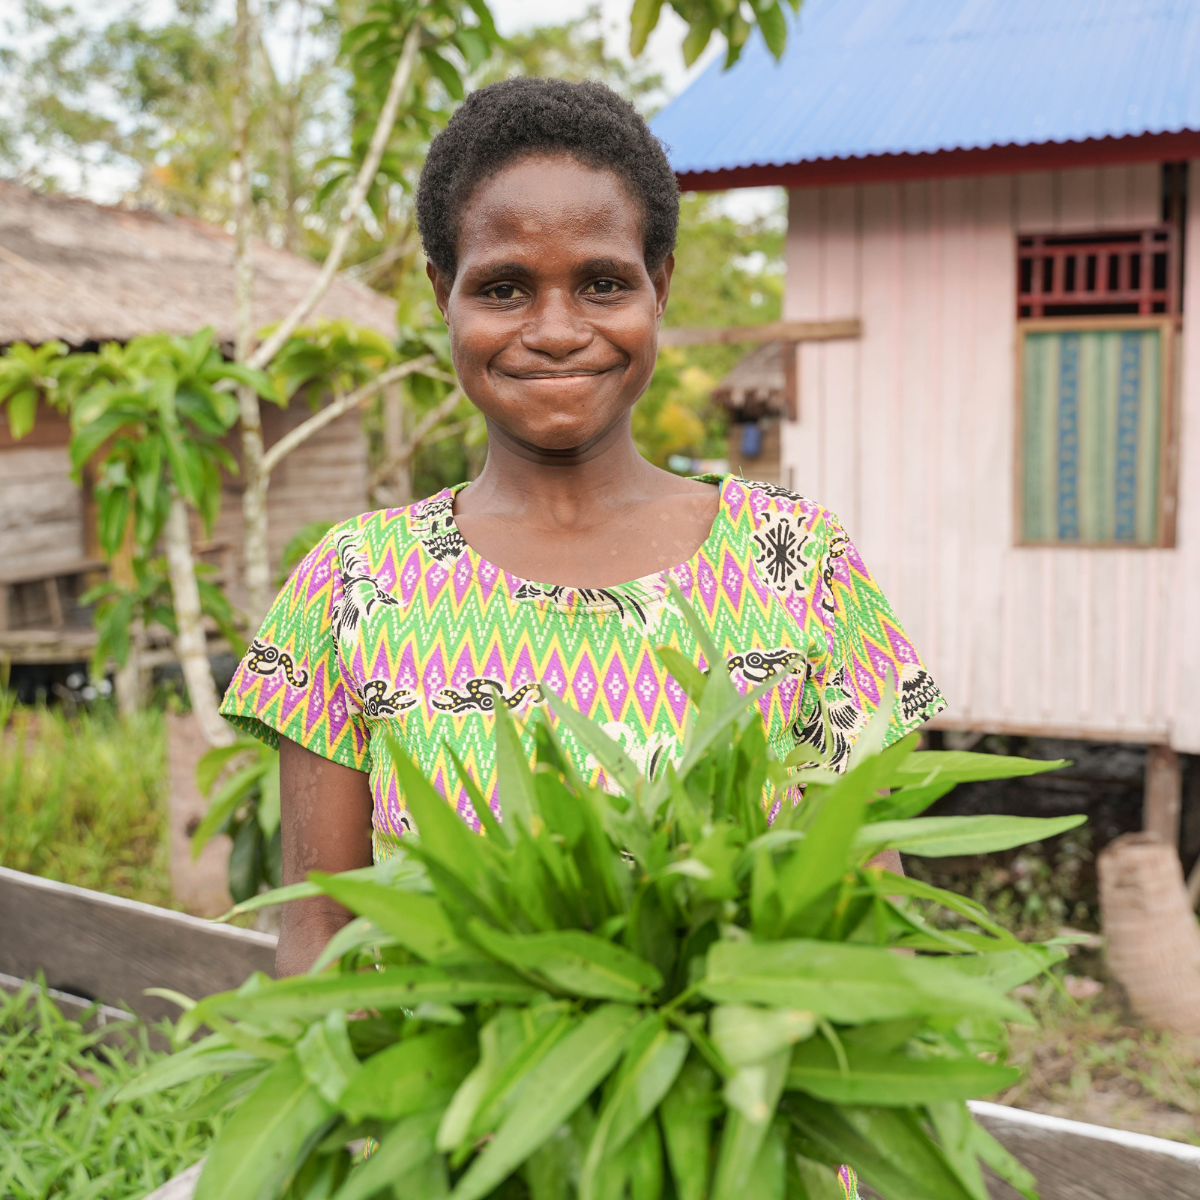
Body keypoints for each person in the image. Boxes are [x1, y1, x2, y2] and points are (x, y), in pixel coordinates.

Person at [221, 76, 945, 978]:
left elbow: (870, 908)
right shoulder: (353, 586)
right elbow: (318, 933)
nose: (557, 330)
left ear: (660, 286)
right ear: (445, 295)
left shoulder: (797, 560)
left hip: (738, 1111)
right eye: (504, 288)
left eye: (602, 283)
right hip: (444, 1114)